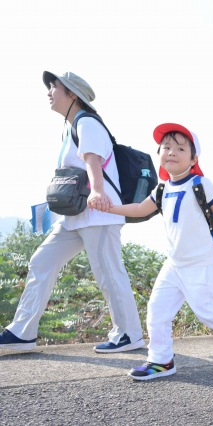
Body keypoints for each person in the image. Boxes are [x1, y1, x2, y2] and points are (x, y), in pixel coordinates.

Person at [96, 123, 213, 380]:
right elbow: (140, 209)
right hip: (174, 264)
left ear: (193, 159)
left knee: (207, 311)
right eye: (166, 147)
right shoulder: (162, 189)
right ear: (159, 154)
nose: (172, 152)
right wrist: (109, 208)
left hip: (200, 262)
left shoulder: (201, 184)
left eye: (180, 148)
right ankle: (161, 360)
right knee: (157, 310)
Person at [0, 71, 144, 353]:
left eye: (54, 86)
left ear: (72, 94)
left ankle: (129, 334)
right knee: (42, 261)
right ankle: (22, 333)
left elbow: (93, 160)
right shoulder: (71, 127)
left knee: (108, 273)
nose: (49, 92)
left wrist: (98, 191)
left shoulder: (87, 122)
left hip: (98, 213)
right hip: (75, 216)